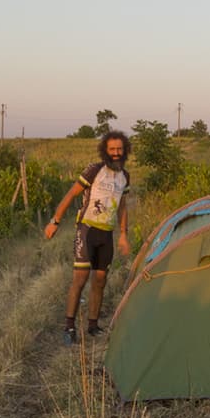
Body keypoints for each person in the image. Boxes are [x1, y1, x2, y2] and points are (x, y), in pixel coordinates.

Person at [45, 130, 132, 343]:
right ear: (105, 150)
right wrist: (55, 221)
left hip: (107, 234)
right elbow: (71, 194)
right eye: (112, 149)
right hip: (87, 231)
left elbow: (122, 206)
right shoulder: (94, 170)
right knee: (80, 279)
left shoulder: (125, 176)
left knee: (100, 280)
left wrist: (123, 235)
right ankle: (69, 327)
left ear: (125, 150)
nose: (116, 153)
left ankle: (93, 325)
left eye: (119, 149)